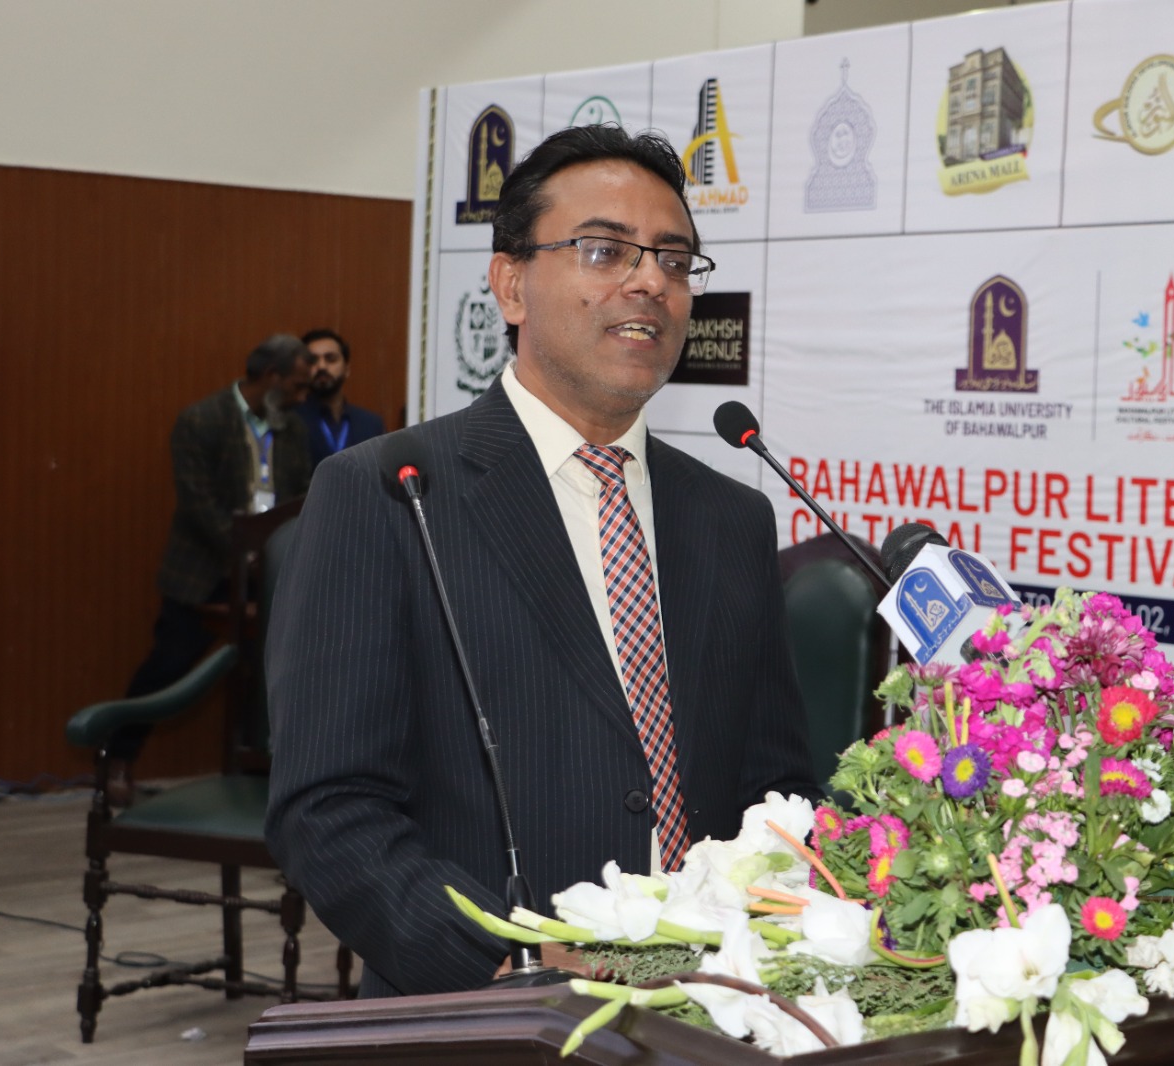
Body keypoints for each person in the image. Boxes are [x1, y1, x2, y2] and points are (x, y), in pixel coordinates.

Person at [264, 125, 820, 998]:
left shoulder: (731, 517)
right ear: (511, 284)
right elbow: (328, 810)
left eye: (675, 260)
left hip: (714, 999)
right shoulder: (389, 493)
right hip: (485, 1012)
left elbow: (775, 782)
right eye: (605, 250)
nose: (650, 281)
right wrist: (507, 960)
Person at [106, 334, 313, 805]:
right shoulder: (201, 420)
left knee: (274, 673)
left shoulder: (293, 429)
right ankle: (117, 761)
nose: (303, 397)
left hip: (273, 573)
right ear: (272, 377)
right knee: (167, 669)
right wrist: (247, 552)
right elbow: (198, 505)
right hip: (205, 572)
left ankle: (266, 774)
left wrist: (276, 555)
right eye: (297, 386)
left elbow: (302, 494)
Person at [296, 328, 386, 469]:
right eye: (313, 360)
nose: (322, 366)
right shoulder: (290, 420)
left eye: (331, 359)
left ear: (347, 369)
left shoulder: (371, 424)